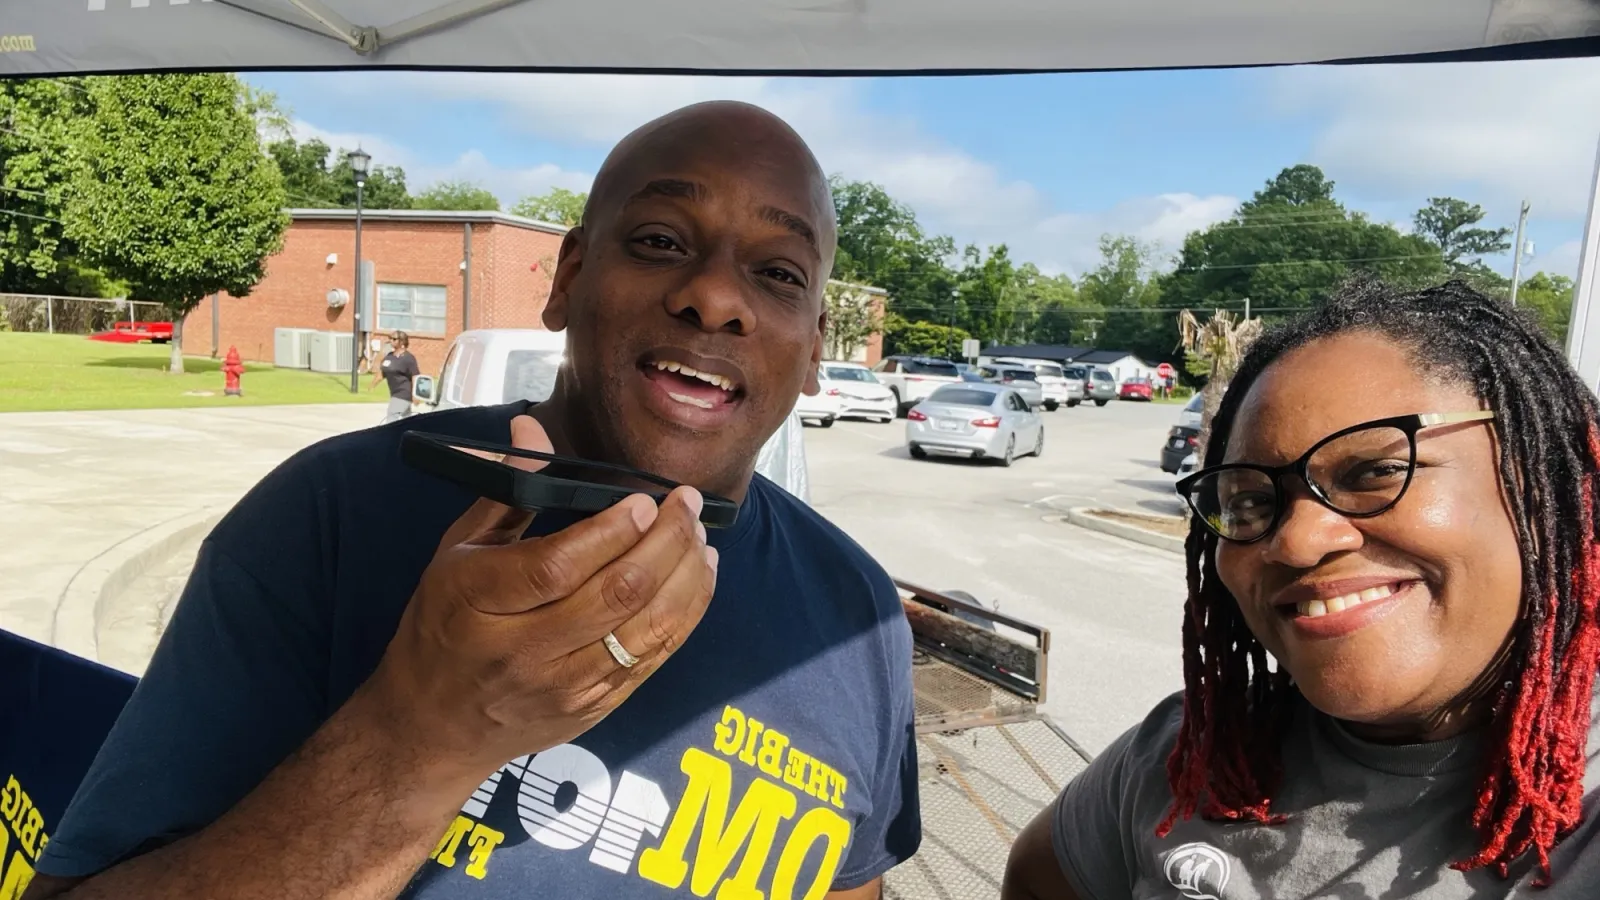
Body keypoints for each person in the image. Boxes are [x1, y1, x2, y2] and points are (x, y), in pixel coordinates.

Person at [26, 101, 920, 900]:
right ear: (566, 279)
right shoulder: (332, 514)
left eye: (779, 274)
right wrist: (424, 732)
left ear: (813, 355)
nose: (717, 297)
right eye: (659, 241)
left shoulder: (859, 622)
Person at [1002, 278, 1600, 899]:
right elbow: (1037, 876)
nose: (1295, 542)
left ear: (1547, 489)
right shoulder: (1186, 759)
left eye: (1375, 471)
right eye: (1252, 501)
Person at [374, 330, 421, 424]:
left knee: (392, 416)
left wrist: (415, 395)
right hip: (394, 393)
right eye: (390, 338)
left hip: (403, 393)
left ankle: (389, 436)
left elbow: (415, 376)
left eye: (394, 339)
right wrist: (373, 384)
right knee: (406, 420)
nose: (391, 341)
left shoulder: (409, 358)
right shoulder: (389, 356)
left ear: (402, 342)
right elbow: (383, 372)